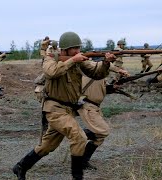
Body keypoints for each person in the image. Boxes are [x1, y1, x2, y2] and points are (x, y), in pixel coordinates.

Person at [12, 32, 116, 180]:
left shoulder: (79, 60)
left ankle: (20, 166)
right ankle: (77, 177)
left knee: (47, 146)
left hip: (68, 110)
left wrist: (106, 63)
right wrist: (72, 60)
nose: (77, 51)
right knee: (79, 137)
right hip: (54, 109)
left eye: (78, 48)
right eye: (74, 48)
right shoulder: (51, 59)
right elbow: (51, 72)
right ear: (65, 50)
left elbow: (96, 73)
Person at [77, 66, 129, 170]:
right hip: (88, 107)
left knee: (99, 137)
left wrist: (112, 88)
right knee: (103, 131)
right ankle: (75, 135)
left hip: (95, 107)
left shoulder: (100, 76)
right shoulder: (91, 75)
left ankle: (83, 162)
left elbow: (101, 89)